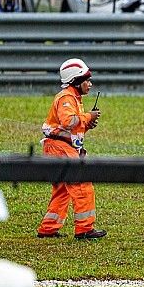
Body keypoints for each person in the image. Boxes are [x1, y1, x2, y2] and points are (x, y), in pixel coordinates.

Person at [37, 59, 105, 240]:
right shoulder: (67, 98)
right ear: (75, 80)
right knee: (81, 184)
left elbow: (71, 125)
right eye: (86, 80)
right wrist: (88, 116)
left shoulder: (73, 98)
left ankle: (48, 228)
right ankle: (84, 229)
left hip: (58, 147)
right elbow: (69, 121)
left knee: (62, 190)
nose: (90, 84)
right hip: (60, 148)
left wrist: (87, 123)